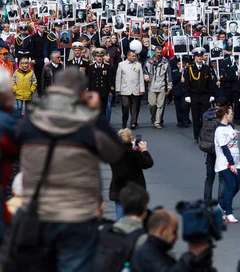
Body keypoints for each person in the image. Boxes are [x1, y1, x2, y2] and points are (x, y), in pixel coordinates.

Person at [13, 68, 123, 271]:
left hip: (39, 214)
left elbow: (15, 147)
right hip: (78, 215)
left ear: (53, 88)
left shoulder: (29, 121)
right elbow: (115, 153)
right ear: (83, 93)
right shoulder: (89, 124)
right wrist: (96, 114)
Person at [109, 129, 154, 220]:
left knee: (120, 214)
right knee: (136, 214)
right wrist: (144, 150)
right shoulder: (135, 154)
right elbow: (148, 163)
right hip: (135, 189)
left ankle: (121, 232)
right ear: (130, 139)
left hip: (119, 189)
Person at [214, 105, 240, 223]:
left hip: (236, 161)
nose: (232, 115)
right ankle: (228, 213)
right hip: (226, 163)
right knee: (231, 185)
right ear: (225, 115)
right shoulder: (219, 130)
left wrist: (233, 133)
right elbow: (224, 148)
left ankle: (219, 208)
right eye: (231, 114)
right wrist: (231, 163)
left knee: (236, 187)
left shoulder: (229, 126)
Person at [184, 47, 215, 142]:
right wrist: (187, 95)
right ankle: (197, 136)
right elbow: (187, 83)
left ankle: (204, 135)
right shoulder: (190, 69)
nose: (199, 58)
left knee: (205, 117)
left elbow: (211, 83)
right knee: (196, 117)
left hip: (205, 96)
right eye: (197, 56)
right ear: (194, 58)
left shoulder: (207, 68)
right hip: (194, 96)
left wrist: (212, 94)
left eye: (201, 56)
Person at [200, 96, 228, 203]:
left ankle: (207, 202)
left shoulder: (206, 115)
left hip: (209, 148)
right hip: (221, 150)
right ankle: (221, 203)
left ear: (215, 104)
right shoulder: (224, 117)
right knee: (222, 178)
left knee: (209, 178)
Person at [144, 44, 173, 129]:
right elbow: (144, 72)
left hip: (161, 86)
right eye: (157, 52)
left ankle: (157, 122)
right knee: (152, 104)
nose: (159, 54)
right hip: (152, 85)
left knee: (160, 105)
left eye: (160, 52)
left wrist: (169, 86)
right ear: (154, 52)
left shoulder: (165, 62)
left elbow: (168, 75)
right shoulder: (149, 62)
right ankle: (153, 118)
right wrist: (146, 77)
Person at [116, 50, 146, 130]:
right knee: (125, 106)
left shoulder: (138, 65)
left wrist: (142, 89)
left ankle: (133, 123)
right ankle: (124, 122)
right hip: (125, 89)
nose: (134, 57)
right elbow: (118, 77)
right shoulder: (121, 64)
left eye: (135, 56)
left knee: (135, 107)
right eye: (132, 56)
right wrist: (118, 89)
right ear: (128, 56)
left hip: (135, 89)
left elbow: (141, 78)